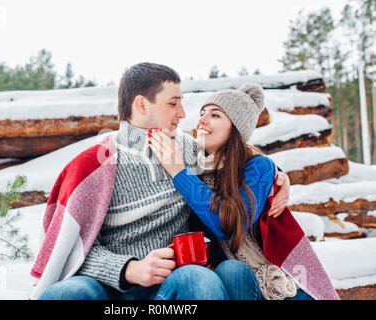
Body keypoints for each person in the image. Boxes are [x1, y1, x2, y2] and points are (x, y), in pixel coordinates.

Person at [31, 63, 292, 300]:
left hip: (171, 287)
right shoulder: (92, 167)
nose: (182, 114)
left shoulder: (188, 150)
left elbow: (235, 157)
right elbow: (69, 251)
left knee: (199, 281)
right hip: (106, 288)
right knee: (66, 294)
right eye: (173, 104)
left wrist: (277, 174)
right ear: (142, 105)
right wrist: (128, 269)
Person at [148, 83, 339, 300]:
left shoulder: (255, 167)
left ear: (236, 128)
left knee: (232, 270)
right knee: (227, 271)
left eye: (215, 115)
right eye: (202, 113)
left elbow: (227, 225)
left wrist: (179, 173)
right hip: (220, 283)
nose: (202, 119)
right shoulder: (194, 167)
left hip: (273, 286)